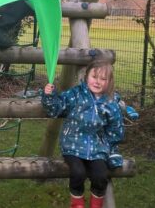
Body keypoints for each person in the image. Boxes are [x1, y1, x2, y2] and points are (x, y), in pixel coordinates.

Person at [42, 61, 124, 208]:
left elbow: (115, 128)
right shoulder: (76, 94)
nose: (97, 82)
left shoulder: (110, 103)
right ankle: (77, 204)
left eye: (103, 79)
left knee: (100, 175)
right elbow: (56, 108)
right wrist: (49, 96)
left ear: (109, 82)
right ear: (87, 76)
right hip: (72, 144)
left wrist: (112, 150)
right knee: (78, 172)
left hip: (97, 148)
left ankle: (96, 204)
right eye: (94, 76)